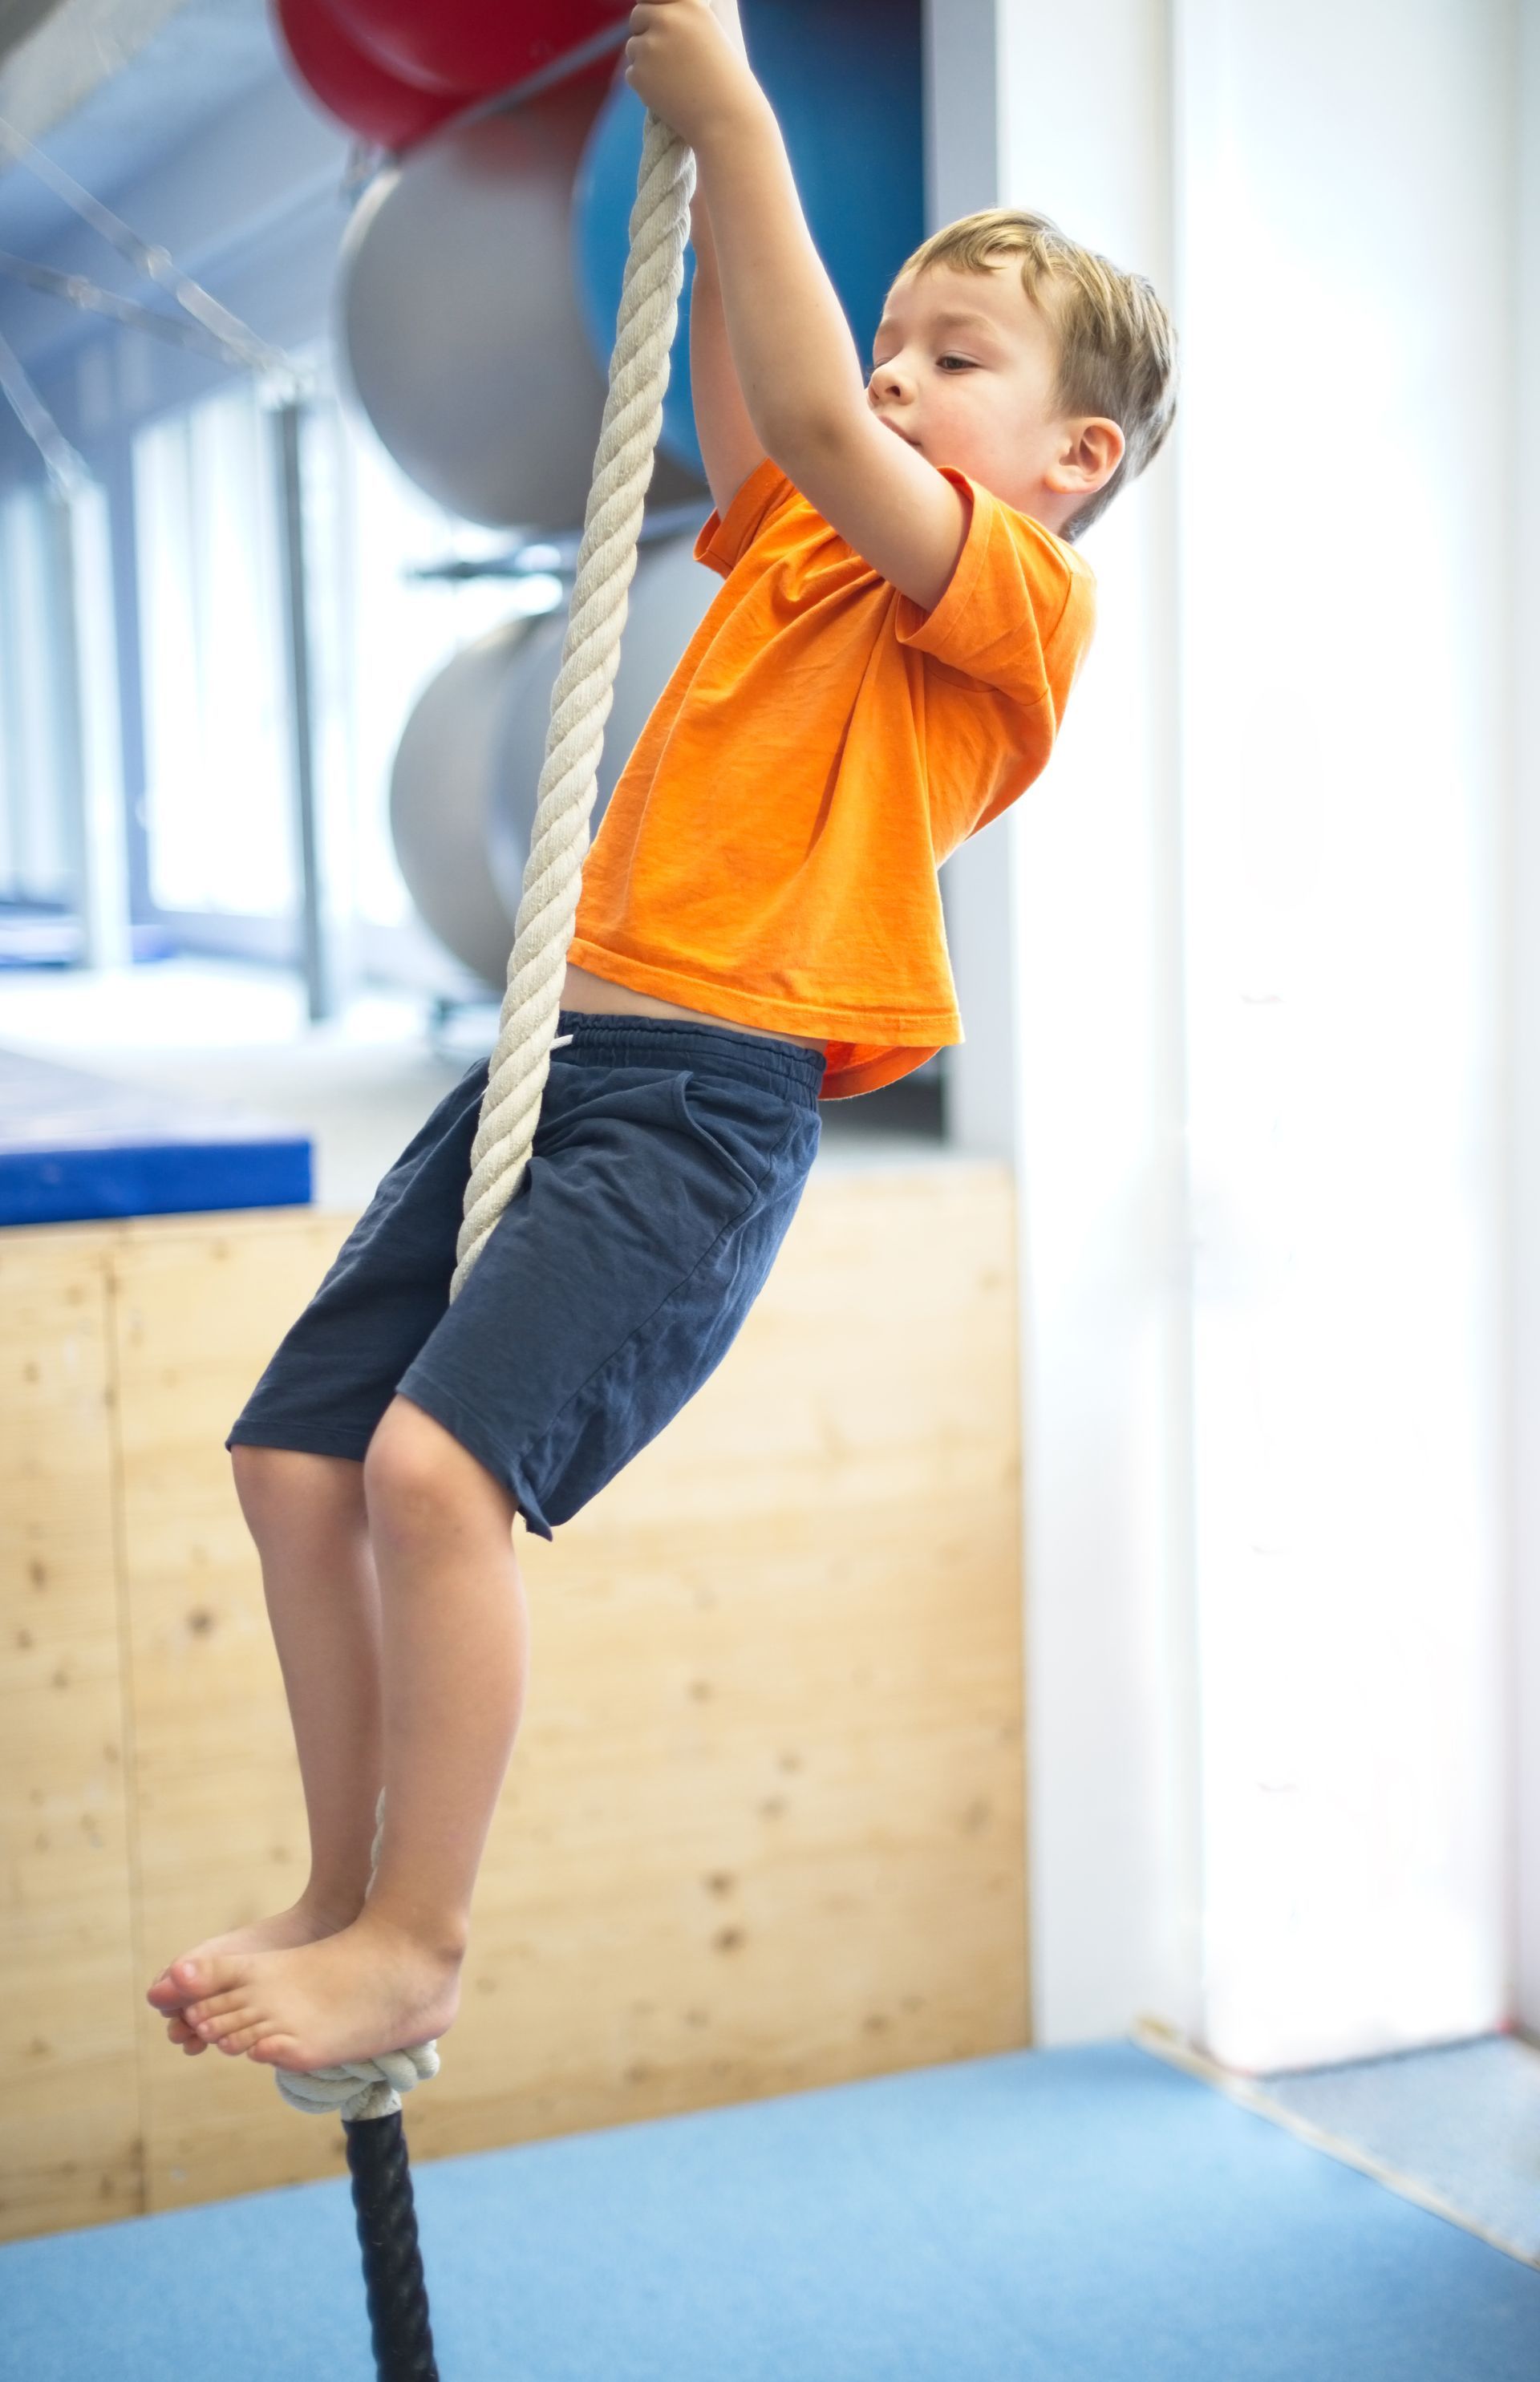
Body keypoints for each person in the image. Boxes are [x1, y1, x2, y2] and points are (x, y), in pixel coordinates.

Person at [147, 0, 1177, 2073]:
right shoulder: (806, 532)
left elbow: (802, 408)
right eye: (892, 336)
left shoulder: (1014, 607)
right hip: (566, 1057)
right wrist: (688, 185)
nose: (895, 370)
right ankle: (345, 1886)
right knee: (295, 1458)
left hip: (704, 1103)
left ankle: (422, 1933)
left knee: (441, 1473)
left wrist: (730, 97)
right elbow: (746, 393)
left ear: (1076, 460)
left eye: (951, 356)